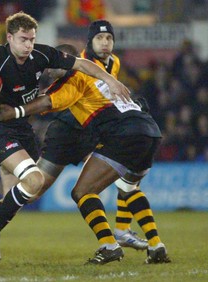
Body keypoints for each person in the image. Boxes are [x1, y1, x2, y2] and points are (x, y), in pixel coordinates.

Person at [0, 11, 130, 264]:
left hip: (23, 130)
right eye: (23, 39)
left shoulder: (41, 55)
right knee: (34, 180)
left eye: (32, 39)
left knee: (17, 195)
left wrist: (109, 79)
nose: (28, 45)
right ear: (9, 37)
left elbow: (80, 63)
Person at [0, 43, 171, 264]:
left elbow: (47, 101)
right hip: (149, 131)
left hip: (122, 133)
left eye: (54, 64)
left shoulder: (73, 79)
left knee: (82, 192)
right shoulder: (99, 75)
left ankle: (109, 246)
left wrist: (14, 111)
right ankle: (155, 246)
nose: (49, 68)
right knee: (128, 187)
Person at [80, 20, 149, 251]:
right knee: (83, 191)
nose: (105, 42)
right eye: (99, 38)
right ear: (90, 42)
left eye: (109, 38)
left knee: (129, 177)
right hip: (81, 123)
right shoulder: (82, 65)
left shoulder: (115, 62)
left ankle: (120, 232)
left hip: (108, 127)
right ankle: (117, 236)